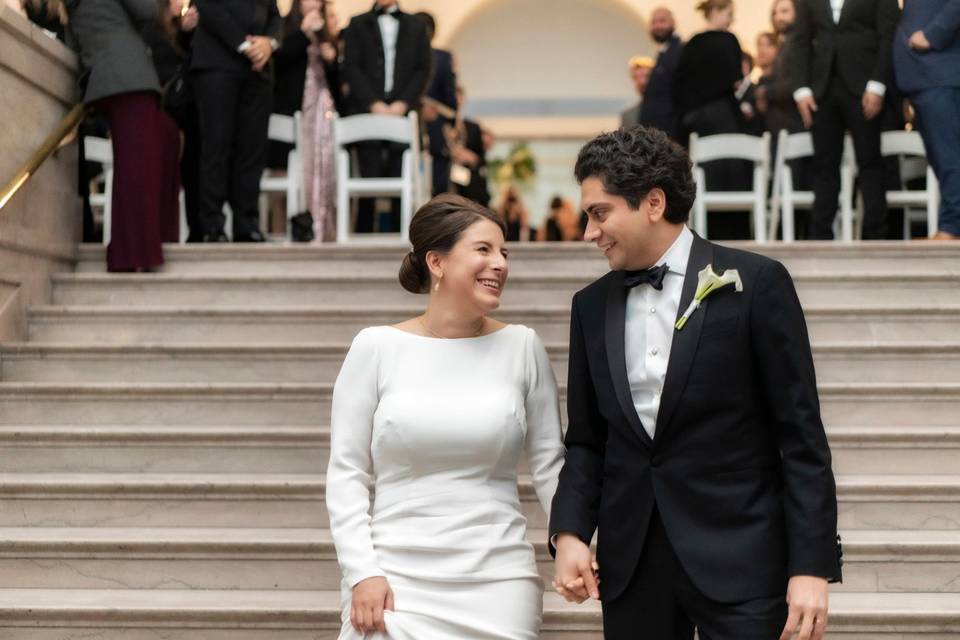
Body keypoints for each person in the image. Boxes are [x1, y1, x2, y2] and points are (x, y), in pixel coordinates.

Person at [549, 126, 842, 640]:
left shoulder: (757, 283)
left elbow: (801, 441)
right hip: (633, 567)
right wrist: (570, 532)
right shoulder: (588, 306)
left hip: (743, 560)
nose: (589, 232)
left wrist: (810, 567)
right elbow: (587, 441)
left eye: (599, 213)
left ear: (654, 202)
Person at [327, 193, 565, 638]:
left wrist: (569, 543)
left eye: (504, 252)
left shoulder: (523, 347)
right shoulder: (375, 348)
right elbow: (347, 471)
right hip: (394, 576)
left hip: (498, 577)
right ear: (436, 262)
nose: (500, 264)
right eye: (484, 250)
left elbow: (551, 466)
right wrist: (361, 571)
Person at [64, 0, 181, 271]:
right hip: (129, 79)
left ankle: (143, 244)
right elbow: (148, 10)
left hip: (109, 81)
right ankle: (134, 253)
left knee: (167, 136)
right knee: (136, 168)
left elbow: (73, 47)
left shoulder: (72, 6)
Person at [791, 0, 900, 239]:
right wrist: (801, 89)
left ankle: (876, 236)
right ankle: (820, 236)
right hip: (822, 88)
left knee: (870, 162)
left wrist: (878, 83)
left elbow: (888, 34)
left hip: (865, 86)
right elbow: (799, 39)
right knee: (823, 164)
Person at [190, 0, 283, 242]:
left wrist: (269, 44)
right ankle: (212, 224)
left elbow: (275, 16)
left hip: (258, 71)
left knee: (253, 149)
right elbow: (209, 8)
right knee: (216, 145)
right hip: (217, 65)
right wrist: (245, 45)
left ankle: (246, 222)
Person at [341, 0, 431, 233]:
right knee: (367, 176)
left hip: (403, 112)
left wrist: (403, 103)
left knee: (400, 172)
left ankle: (401, 236)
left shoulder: (416, 26)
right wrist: (373, 103)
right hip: (365, 111)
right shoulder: (357, 24)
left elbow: (422, 69)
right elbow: (351, 67)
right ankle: (362, 234)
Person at [894, 0, 960, 240]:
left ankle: (952, 228)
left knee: (949, 156)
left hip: (938, 74)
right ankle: (951, 226)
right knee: (942, 159)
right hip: (921, 78)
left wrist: (934, 34)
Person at [142, 0, 202, 242]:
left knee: (193, 165)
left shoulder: (186, 29)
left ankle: (194, 229)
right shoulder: (149, 28)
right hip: (160, 109)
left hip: (186, 111)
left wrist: (188, 32)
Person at [300, 0, 342, 243]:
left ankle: (327, 227)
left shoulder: (329, 33)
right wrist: (302, 34)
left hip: (326, 109)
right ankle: (302, 224)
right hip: (299, 107)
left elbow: (339, 82)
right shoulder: (287, 28)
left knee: (328, 162)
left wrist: (332, 60)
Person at [674, 0, 743, 145]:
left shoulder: (692, 42)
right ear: (715, 11)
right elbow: (737, 81)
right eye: (729, 14)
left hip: (692, 118)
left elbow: (679, 83)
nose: (732, 20)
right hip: (721, 115)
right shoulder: (728, 39)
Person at [416, 11, 458, 197]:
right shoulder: (442, 58)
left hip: (409, 126)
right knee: (438, 184)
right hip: (434, 129)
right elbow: (450, 98)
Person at [640, 7, 683, 140]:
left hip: (669, 137)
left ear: (673, 23)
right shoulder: (663, 53)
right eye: (654, 22)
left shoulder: (679, 53)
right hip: (656, 137)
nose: (658, 26)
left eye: (662, 21)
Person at [449, 85, 490, 207]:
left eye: (459, 96)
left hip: (466, 184)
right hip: (443, 179)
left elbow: (482, 160)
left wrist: (471, 158)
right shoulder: (439, 123)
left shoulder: (473, 127)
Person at [621, 56, 654, 128]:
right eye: (636, 78)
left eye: (646, 76)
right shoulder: (628, 115)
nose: (641, 82)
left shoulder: (670, 112)